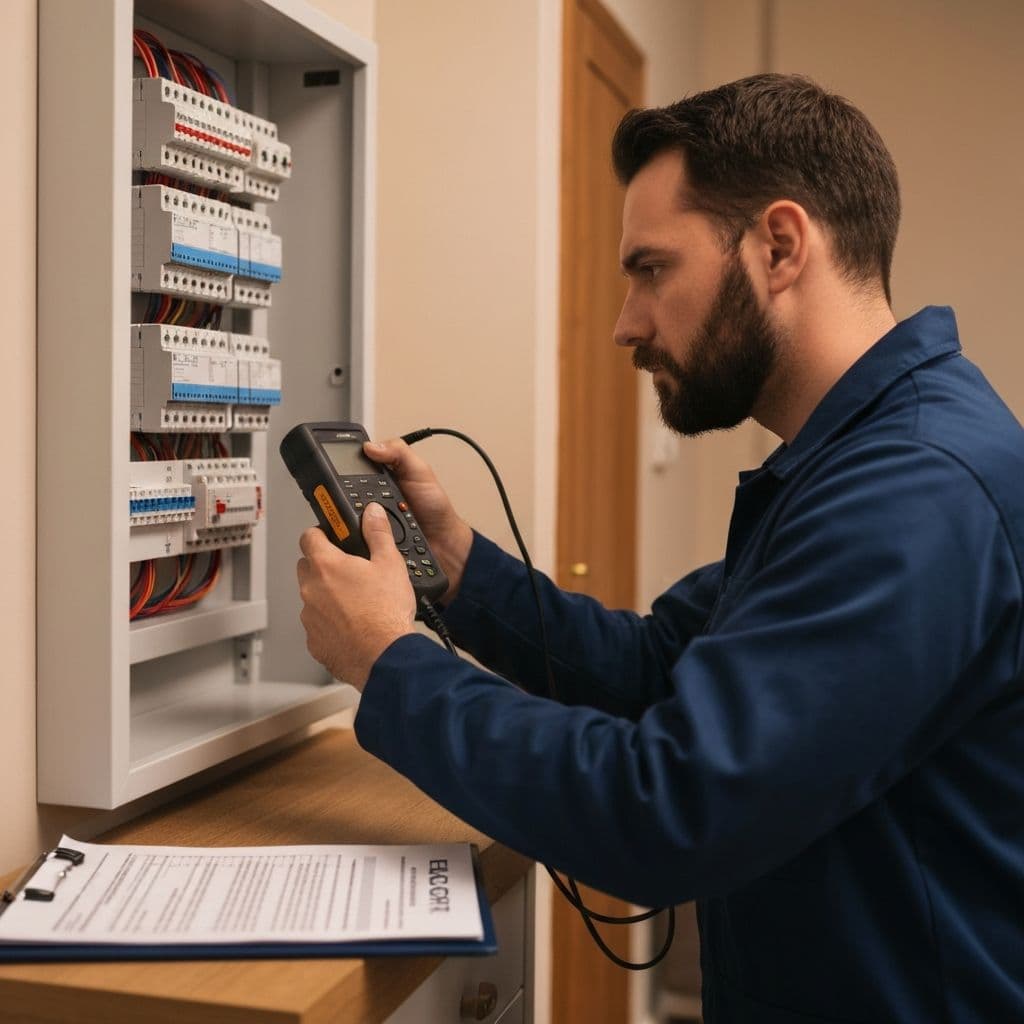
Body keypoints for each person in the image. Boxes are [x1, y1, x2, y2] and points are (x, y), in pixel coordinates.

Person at [295, 74, 1024, 1022]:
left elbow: (667, 808)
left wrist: (390, 664)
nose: (626, 323)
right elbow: (653, 666)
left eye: (651, 269)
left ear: (780, 246)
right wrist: (463, 567)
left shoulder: (916, 494)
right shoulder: (859, 462)